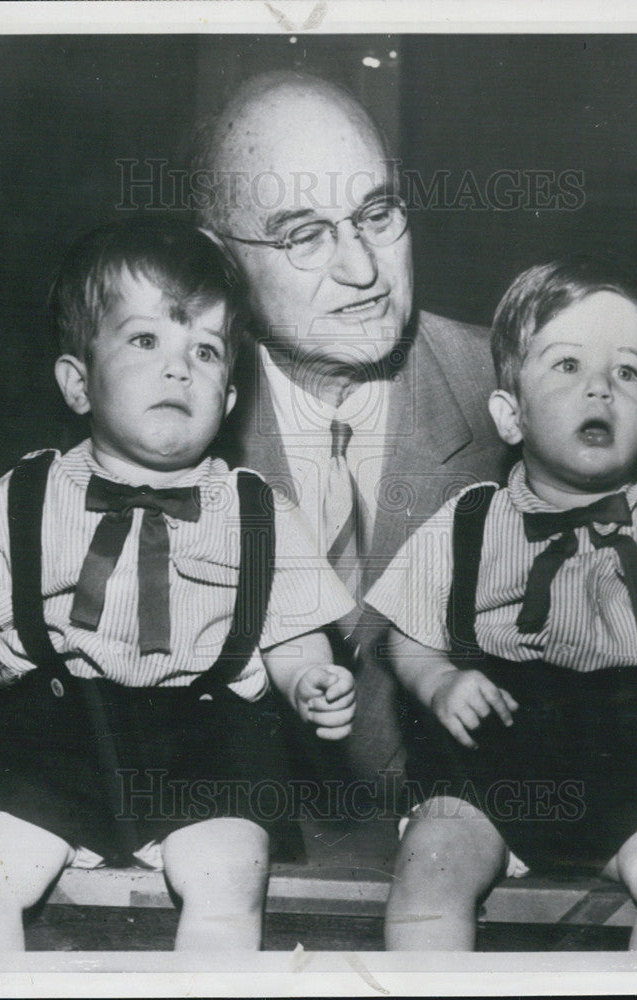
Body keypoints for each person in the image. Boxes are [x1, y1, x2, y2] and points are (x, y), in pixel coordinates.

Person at [0, 218, 357, 959]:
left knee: (230, 874)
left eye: (204, 350)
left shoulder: (259, 511)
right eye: (144, 341)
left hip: (210, 745)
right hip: (49, 739)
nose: (178, 369)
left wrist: (310, 680)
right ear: (76, 382)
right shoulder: (24, 494)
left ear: (228, 398)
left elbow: (294, 634)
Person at [366, 256, 637, 950]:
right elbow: (404, 633)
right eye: (568, 366)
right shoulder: (467, 522)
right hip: (488, 777)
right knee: (430, 866)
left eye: (627, 372)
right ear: (510, 414)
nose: (601, 390)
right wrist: (439, 681)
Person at [190, 70, 505, 795]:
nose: (363, 269)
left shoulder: (515, 394)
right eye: (303, 235)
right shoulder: (164, 427)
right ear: (222, 260)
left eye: (377, 214)